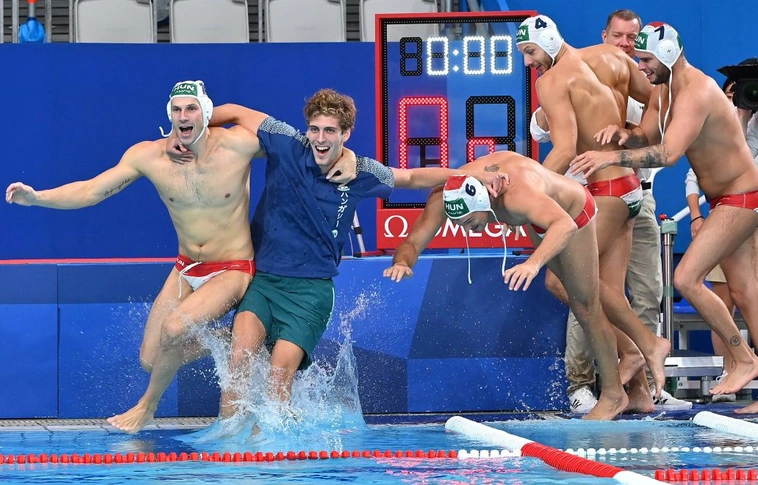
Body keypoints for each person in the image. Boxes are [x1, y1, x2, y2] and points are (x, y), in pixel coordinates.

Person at [6, 80, 356, 435]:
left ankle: (147, 406)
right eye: (177, 110)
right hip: (186, 267)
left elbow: (308, 146)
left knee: (174, 329)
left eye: (191, 109)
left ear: (206, 112)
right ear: (169, 115)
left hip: (234, 268)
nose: (183, 116)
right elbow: (92, 190)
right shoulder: (149, 156)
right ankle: (229, 337)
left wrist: (349, 156)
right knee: (150, 358)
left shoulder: (238, 145)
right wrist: (37, 198)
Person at [169, 89, 506, 424]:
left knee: (278, 379)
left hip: (310, 294)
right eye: (314, 129)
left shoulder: (360, 172)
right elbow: (234, 110)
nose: (320, 138)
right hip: (264, 282)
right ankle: (227, 445)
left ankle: (276, 451)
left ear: (345, 134)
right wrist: (181, 134)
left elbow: (411, 177)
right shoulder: (286, 142)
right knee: (238, 363)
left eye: (330, 131)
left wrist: (472, 174)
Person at [571, 22, 758, 411]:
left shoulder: (696, 92)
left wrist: (611, 157)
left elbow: (668, 154)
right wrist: (624, 133)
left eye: (645, 60)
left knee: (687, 278)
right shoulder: (665, 87)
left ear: (669, 55)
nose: (640, 67)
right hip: (725, 196)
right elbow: (649, 134)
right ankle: (747, 362)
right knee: (746, 293)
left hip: (742, 196)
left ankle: (744, 358)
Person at [384, 151, 630, 420]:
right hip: (540, 217)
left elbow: (564, 225)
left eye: (470, 222)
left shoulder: (515, 196)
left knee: (586, 306)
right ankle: (641, 354)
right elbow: (412, 242)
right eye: (460, 224)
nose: (468, 230)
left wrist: (533, 264)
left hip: (573, 211)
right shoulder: (445, 196)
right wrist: (403, 263)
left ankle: (615, 392)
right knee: (580, 299)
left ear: (485, 200)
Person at [530, 9, 681, 413]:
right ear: (605, 35)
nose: (528, 63)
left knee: (566, 282)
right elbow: (664, 104)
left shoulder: (556, 78)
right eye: (620, 36)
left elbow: (563, 149)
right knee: (602, 293)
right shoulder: (611, 62)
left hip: (607, 193)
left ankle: (642, 347)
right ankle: (632, 392)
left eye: (530, 53)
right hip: (625, 191)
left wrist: (529, 191)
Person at [684, 71, 758, 403]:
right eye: (736, 92)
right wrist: (739, 114)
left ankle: (743, 360)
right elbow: (711, 167)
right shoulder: (726, 120)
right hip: (733, 211)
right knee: (739, 293)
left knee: (746, 294)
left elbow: (743, 169)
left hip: (743, 207)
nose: (744, 96)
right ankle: (735, 365)